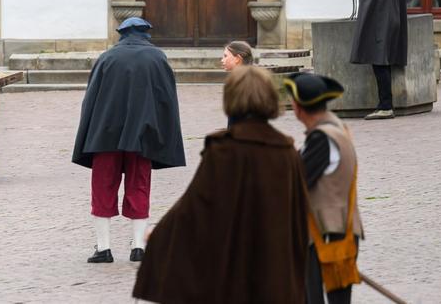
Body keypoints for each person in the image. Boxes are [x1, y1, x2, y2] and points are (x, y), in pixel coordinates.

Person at [132, 66, 309, 303]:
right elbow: (300, 214)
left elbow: (194, 207)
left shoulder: (225, 150)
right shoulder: (287, 153)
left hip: (233, 269)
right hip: (275, 268)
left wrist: (160, 234)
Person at [71, 17, 185, 263]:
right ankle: (139, 247)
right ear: (145, 33)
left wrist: (89, 133)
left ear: (122, 33)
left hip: (105, 134)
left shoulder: (107, 58)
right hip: (142, 135)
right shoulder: (157, 58)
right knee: (139, 185)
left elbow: (91, 100)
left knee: (102, 186)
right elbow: (166, 99)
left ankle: (104, 249)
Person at [286, 73, 363, 304]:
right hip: (336, 229)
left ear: (298, 108)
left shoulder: (322, 138)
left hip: (328, 234)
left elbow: (295, 183)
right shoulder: (335, 127)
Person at [350, 0, 408, 120]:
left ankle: (385, 106)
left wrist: (364, 19)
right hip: (393, 20)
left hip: (380, 21)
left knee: (379, 62)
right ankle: (385, 104)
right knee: (383, 61)